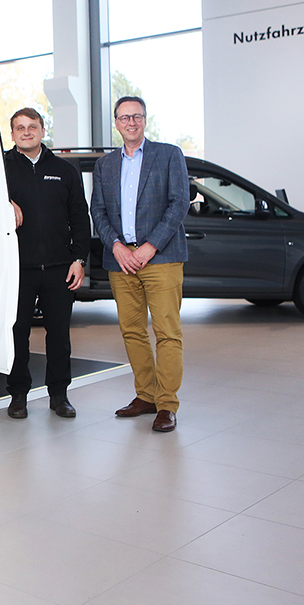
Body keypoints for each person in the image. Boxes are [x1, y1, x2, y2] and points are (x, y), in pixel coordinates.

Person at [90, 96, 189, 433]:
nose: (130, 122)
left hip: (160, 257)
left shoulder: (168, 154)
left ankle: (167, 404)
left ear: (145, 120)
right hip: (120, 260)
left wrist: (150, 246)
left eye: (137, 116)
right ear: (116, 123)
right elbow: (98, 212)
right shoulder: (104, 165)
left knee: (167, 333)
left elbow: (179, 203)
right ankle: (146, 396)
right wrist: (116, 246)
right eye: (124, 117)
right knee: (132, 331)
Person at [3, 108, 91, 420]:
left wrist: (79, 259)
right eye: (19, 128)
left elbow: (80, 218)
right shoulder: (0, 169)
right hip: (17, 270)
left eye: (32, 127)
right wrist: (3, 201)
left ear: (42, 130)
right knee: (17, 335)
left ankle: (59, 395)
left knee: (59, 336)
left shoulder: (64, 170)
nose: (26, 132)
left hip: (58, 268)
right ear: (12, 134)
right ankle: (18, 396)